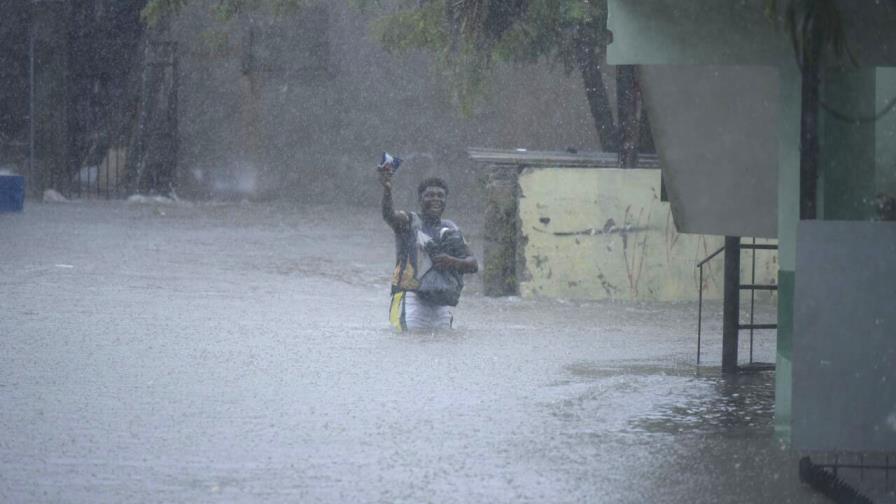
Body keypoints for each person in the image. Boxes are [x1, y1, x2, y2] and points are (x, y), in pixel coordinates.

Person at [378, 163, 478, 332]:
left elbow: (473, 264)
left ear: (446, 200)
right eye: (429, 195)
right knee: (409, 345)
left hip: (440, 301)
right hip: (410, 298)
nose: (435, 199)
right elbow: (389, 215)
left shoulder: (451, 229)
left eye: (440, 195)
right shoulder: (409, 222)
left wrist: (452, 262)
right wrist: (387, 190)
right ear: (420, 199)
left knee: (443, 347)